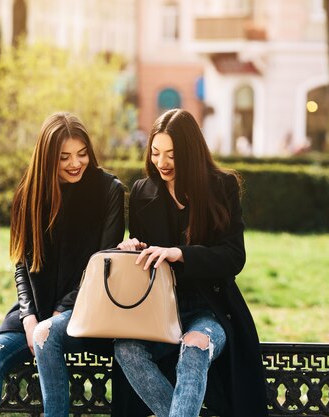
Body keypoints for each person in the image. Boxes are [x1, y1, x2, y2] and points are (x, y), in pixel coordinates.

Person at [0, 112, 125, 417]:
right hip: (34, 311)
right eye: (64, 157)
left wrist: (59, 313)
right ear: (48, 157)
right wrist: (28, 317)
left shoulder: (109, 191)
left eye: (82, 154)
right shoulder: (30, 193)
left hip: (84, 311)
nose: (75, 163)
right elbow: (21, 263)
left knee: (47, 335)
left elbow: (103, 263)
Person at [115, 109, 268, 417]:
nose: (162, 163)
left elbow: (234, 256)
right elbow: (142, 256)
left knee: (194, 349)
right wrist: (131, 247)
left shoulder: (221, 187)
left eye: (172, 154)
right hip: (158, 310)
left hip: (210, 308)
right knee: (125, 349)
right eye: (156, 153)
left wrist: (181, 253)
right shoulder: (143, 191)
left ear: (191, 152)